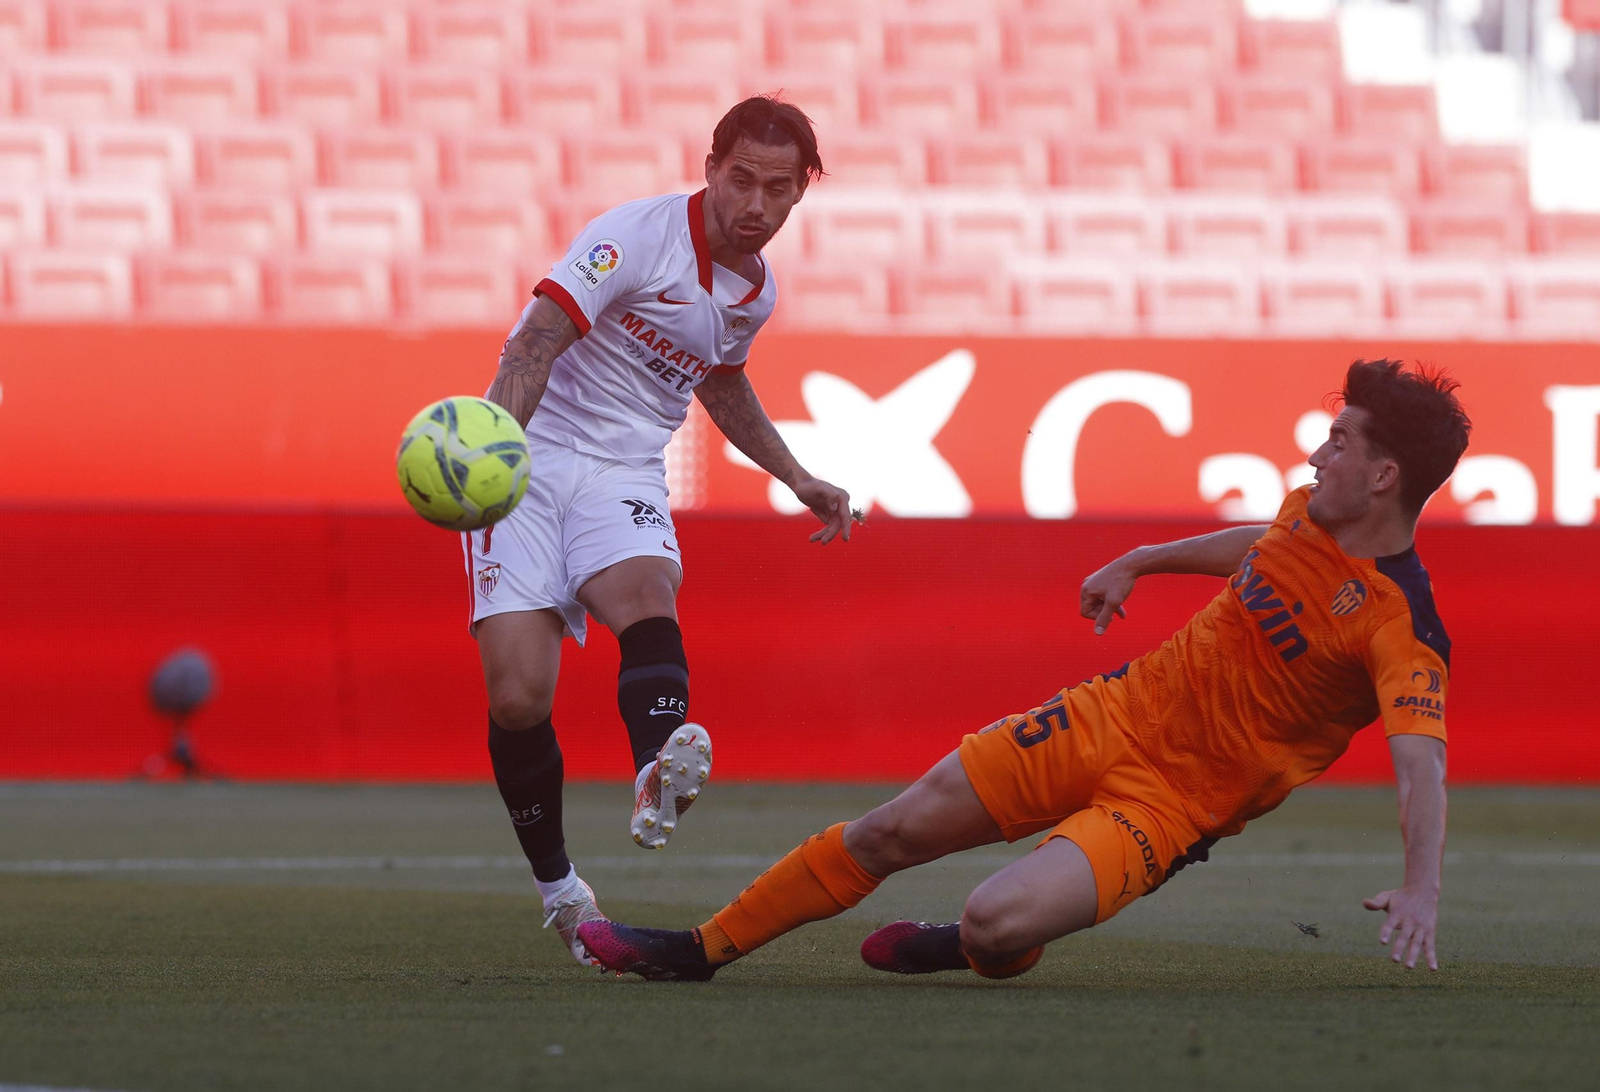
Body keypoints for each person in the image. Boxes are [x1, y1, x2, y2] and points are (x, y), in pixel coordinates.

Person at [579, 360, 1471, 981]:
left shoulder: (1405, 626)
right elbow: (1263, 547)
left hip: (1173, 805)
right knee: (892, 831)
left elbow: (1420, 764)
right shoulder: (1309, 514)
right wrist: (1144, 558)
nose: (1317, 456)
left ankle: (987, 948)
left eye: (1340, 443)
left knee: (993, 922)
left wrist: (1422, 888)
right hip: (1109, 715)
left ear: (1386, 476)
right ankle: (697, 950)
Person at [469, 96, 854, 965]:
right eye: (741, 180)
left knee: (646, 591)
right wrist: (494, 450)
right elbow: (535, 341)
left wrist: (796, 476)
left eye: (778, 189)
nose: (755, 204)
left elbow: (720, 384)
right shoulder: (633, 238)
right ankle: (560, 888)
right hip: (530, 454)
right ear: (711, 169)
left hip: (625, 470)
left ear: (803, 193)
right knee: (518, 697)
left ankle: (655, 768)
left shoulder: (755, 291)